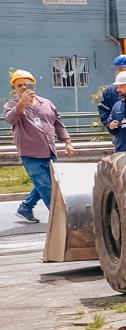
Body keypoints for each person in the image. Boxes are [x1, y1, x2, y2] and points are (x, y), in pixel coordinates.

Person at [5, 68, 74, 223]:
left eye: (26, 84)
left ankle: (25, 208)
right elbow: (10, 119)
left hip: (49, 150)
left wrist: (68, 142)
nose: (23, 87)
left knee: (51, 183)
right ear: (15, 88)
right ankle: (60, 219)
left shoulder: (46, 103)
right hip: (30, 153)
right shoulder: (12, 104)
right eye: (19, 85)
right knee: (46, 186)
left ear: (33, 85)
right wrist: (22, 104)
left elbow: (58, 123)